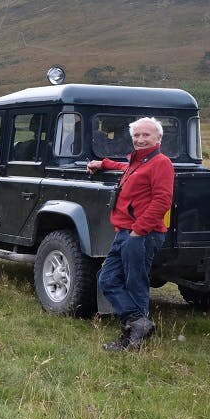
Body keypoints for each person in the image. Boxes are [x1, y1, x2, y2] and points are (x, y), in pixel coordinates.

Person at [86, 116, 175, 350]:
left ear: (158, 138)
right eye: (136, 135)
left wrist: (138, 231)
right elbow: (125, 167)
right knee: (107, 279)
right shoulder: (138, 162)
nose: (140, 139)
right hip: (125, 232)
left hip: (141, 234)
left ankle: (133, 340)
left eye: (146, 135)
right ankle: (138, 323)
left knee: (136, 283)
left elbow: (162, 200)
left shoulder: (161, 162)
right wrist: (103, 163)